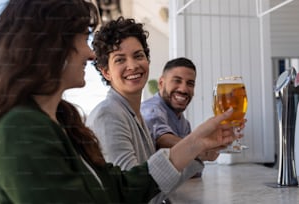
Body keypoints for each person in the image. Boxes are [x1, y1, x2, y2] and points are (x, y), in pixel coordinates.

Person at [0, 1, 238, 203]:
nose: (89, 54)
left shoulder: (63, 121)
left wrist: (196, 143)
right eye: (82, 39)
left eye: (138, 55)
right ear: (51, 47)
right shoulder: (21, 129)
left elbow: (121, 187)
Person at [86, 17, 237, 203]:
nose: (132, 65)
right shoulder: (108, 115)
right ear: (105, 72)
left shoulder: (134, 115)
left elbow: (155, 189)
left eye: (138, 55)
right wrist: (196, 143)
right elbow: (132, 194)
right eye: (120, 59)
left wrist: (200, 153)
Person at [141, 57, 219, 165]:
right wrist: (198, 149)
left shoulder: (184, 123)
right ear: (161, 83)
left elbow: (193, 166)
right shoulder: (152, 109)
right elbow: (162, 138)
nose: (183, 89)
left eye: (190, 83)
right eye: (177, 81)